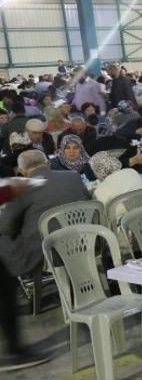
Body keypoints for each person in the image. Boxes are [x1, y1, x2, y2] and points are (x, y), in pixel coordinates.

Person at [0, 151, 89, 362]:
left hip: (45, 251)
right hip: (83, 243)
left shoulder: (24, 186)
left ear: (22, 170)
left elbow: (6, 227)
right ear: (47, 163)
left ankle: (14, 346)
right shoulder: (73, 177)